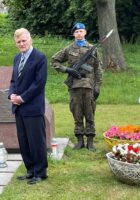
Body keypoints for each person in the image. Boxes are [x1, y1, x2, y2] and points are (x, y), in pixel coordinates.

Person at [51, 23, 103, 151]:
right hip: (74, 86)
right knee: (77, 111)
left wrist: (98, 85)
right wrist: (68, 70)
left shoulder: (93, 49)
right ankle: (80, 140)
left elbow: (98, 69)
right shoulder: (69, 49)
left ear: (85, 32)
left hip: (89, 85)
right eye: (76, 32)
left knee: (90, 112)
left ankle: (90, 140)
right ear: (73, 34)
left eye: (81, 31)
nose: (79, 33)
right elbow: (54, 61)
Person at [8, 28, 48, 185]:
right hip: (19, 108)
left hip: (32, 107)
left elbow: (39, 83)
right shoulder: (17, 58)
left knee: (36, 141)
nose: (21, 44)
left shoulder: (40, 58)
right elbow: (13, 81)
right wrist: (11, 95)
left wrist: (22, 98)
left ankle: (40, 172)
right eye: (18, 42)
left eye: (24, 40)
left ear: (30, 39)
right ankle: (30, 170)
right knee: (24, 141)